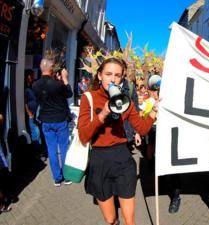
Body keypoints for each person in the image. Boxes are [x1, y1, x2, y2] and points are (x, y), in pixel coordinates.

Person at [77, 57, 158, 225]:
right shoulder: (89, 98)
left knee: (130, 220)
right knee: (111, 219)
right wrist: (103, 114)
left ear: (122, 78)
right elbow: (84, 136)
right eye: (108, 74)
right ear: (99, 75)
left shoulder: (125, 101)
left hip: (123, 159)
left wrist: (153, 112)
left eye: (117, 75)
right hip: (99, 162)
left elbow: (142, 129)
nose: (112, 79)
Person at [32, 58, 73, 186]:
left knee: (51, 149)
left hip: (46, 120)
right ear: (51, 69)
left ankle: (57, 178)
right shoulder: (58, 84)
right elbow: (69, 94)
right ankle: (66, 176)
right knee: (64, 147)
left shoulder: (35, 85)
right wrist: (65, 79)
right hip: (60, 120)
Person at [24, 69, 42, 158]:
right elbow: (25, 102)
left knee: (37, 132)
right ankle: (35, 154)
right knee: (36, 132)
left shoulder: (31, 87)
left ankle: (37, 153)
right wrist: (29, 113)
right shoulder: (25, 89)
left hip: (36, 114)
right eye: (32, 75)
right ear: (28, 76)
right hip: (31, 115)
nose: (34, 77)